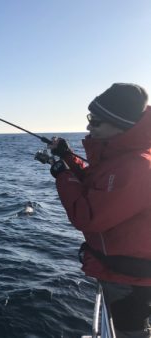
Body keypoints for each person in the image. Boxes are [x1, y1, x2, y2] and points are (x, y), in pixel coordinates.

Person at [47, 83, 151, 338]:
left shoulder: (136, 168)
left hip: (131, 280)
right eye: (89, 118)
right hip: (127, 272)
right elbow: (100, 183)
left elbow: (88, 216)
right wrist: (68, 157)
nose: (89, 127)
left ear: (121, 125)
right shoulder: (123, 158)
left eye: (96, 122)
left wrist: (62, 175)